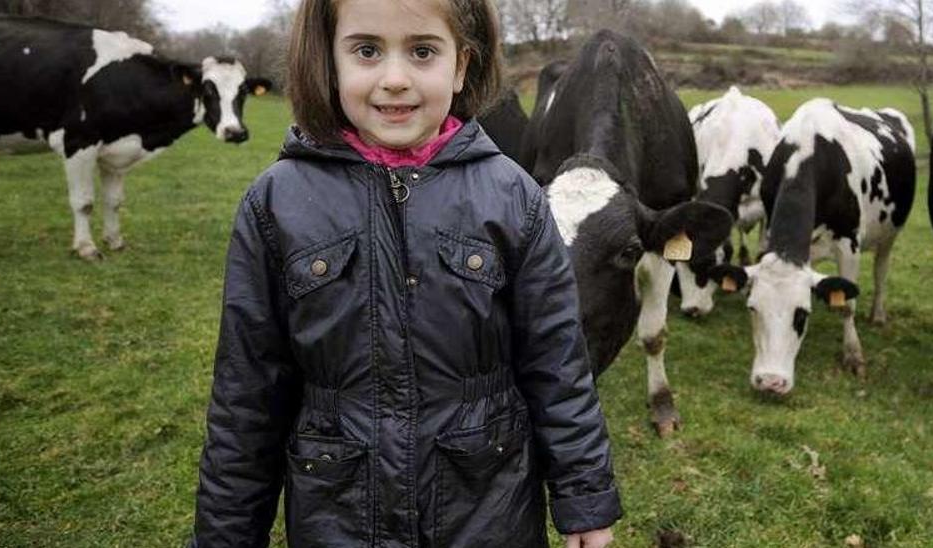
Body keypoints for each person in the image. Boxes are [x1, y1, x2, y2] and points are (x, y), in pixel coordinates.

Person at [188, 0, 621, 546]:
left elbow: (558, 362)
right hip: (339, 513)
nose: (395, 79)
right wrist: (226, 534)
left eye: (422, 51)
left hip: (489, 508)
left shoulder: (514, 198)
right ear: (328, 59)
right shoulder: (275, 203)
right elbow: (246, 393)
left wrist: (584, 496)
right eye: (367, 50)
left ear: (461, 66)